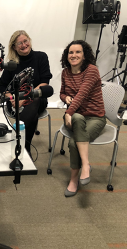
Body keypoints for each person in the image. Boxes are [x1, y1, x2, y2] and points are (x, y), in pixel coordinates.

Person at [60, 40, 106, 197]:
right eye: (70, 52)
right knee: (78, 117)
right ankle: (85, 164)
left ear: (84, 55)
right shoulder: (65, 73)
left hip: (95, 118)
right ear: (67, 56)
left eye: (78, 52)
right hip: (75, 116)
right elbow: (61, 92)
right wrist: (65, 97)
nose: (73, 55)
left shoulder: (92, 71)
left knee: (73, 143)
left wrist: (68, 113)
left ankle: (74, 178)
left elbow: (81, 95)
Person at [0, 30, 53, 155]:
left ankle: (18, 142)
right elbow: (1, 86)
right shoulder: (12, 64)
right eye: (19, 43)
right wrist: (12, 97)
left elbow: (45, 82)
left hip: (37, 99)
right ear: (14, 47)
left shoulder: (41, 57)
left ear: (29, 40)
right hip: (15, 102)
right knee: (31, 117)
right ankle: (25, 148)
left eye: (25, 41)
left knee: (35, 100)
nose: (23, 45)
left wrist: (25, 97)